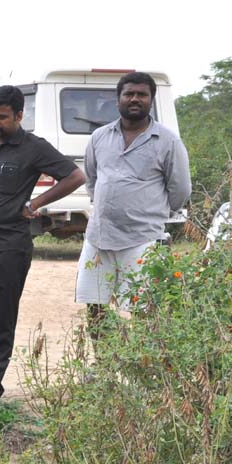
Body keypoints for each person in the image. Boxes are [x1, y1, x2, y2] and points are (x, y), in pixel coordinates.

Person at [0, 85, 85, 412]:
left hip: (9, 246)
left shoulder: (33, 147)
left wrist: (35, 202)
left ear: (20, 116)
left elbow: (74, 176)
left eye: (2, 117)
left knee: (1, 318)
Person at [75, 71, 191, 322]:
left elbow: (180, 189)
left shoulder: (168, 141)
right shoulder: (100, 137)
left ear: (151, 100)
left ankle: (140, 362)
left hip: (142, 239)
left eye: (142, 94)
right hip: (98, 237)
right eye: (129, 94)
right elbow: (92, 179)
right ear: (118, 99)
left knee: (143, 310)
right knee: (94, 306)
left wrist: (150, 212)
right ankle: (106, 361)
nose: (135, 99)